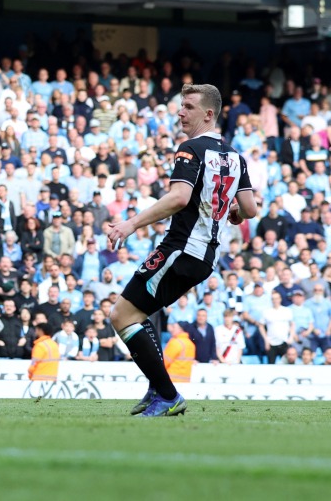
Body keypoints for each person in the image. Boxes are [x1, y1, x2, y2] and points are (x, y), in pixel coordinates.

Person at [105, 84, 257, 418]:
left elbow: (179, 198)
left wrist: (130, 224)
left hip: (181, 250)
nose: (180, 112)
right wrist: (234, 212)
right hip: (204, 257)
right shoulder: (235, 156)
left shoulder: (190, 148)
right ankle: (157, 387)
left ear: (208, 114)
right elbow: (249, 207)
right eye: (180, 106)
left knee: (121, 315)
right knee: (138, 315)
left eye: (188, 106)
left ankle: (168, 394)